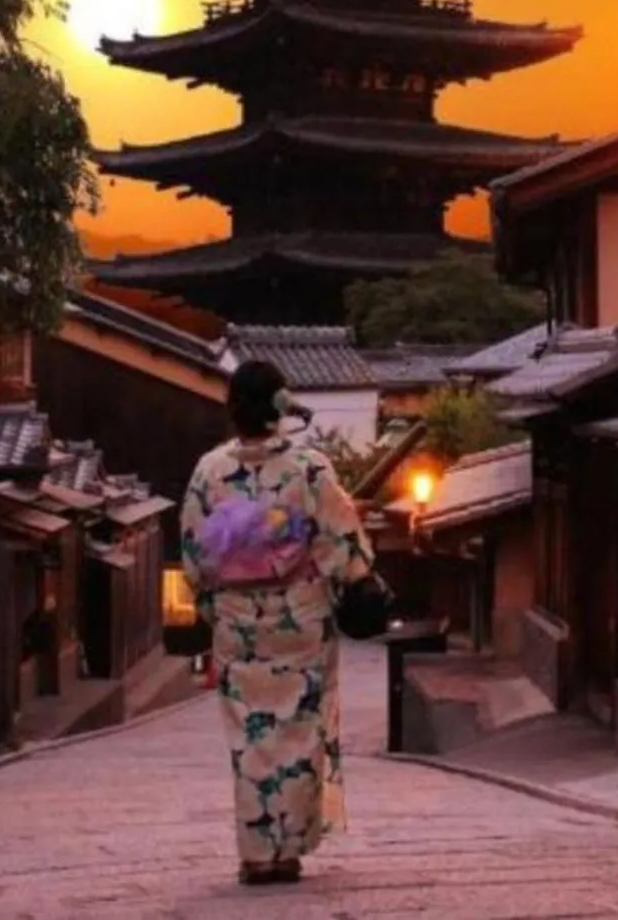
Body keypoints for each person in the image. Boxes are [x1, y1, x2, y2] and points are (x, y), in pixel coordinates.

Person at [179, 359, 376, 886]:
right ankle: (288, 849)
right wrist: (354, 578)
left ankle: (256, 853)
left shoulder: (209, 472)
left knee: (251, 738)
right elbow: (342, 541)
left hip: (239, 624)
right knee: (299, 729)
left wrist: (216, 610)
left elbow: (197, 556)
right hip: (303, 617)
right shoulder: (309, 468)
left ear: (233, 409)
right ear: (281, 407)